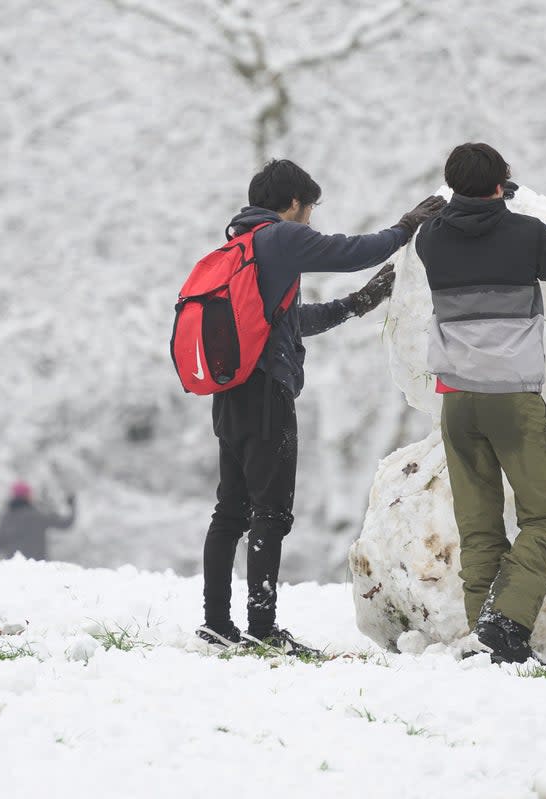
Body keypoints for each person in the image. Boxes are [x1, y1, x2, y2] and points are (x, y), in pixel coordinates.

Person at [196, 159, 445, 655]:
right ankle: (261, 628)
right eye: (308, 211)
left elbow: (285, 322)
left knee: (230, 512)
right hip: (266, 395)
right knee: (271, 513)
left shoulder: (239, 245)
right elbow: (349, 251)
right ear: (293, 205)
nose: (309, 221)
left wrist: (355, 304)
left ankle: (217, 623)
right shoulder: (278, 237)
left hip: (232, 393)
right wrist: (406, 226)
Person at [415, 142, 546, 664]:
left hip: (458, 401)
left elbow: (465, 224)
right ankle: (504, 624)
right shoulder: (526, 234)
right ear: (501, 184)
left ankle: (485, 639)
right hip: (512, 397)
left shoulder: (430, 238)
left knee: (479, 526)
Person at [0, 481, 75, 561]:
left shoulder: (7, 517)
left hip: (14, 568)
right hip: (37, 567)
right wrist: (72, 506)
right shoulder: (38, 515)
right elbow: (65, 523)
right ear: (27, 496)